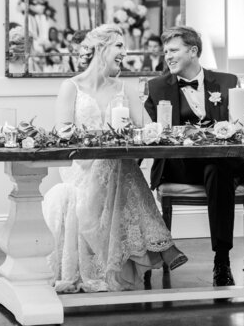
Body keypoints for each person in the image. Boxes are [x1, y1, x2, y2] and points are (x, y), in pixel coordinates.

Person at [145, 26, 244, 288]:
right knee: (218, 162)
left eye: (173, 50)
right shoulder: (157, 87)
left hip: (220, 163)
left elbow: (241, 126)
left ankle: (222, 261)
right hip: (179, 165)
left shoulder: (228, 82)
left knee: (216, 166)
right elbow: (162, 135)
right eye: (165, 52)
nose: (167, 57)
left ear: (193, 51)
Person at [42, 24, 187, 293]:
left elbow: (145, 127)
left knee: (118, 164)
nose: (125, 51)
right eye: (119, 45)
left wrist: (152, 130)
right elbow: (63, 133)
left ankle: (159, 246)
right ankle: (162, 244)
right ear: (100, 48)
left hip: (116, 167)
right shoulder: (70, 87)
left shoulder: (125, 88)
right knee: (116, 166)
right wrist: (98, 140)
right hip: (81, 170)